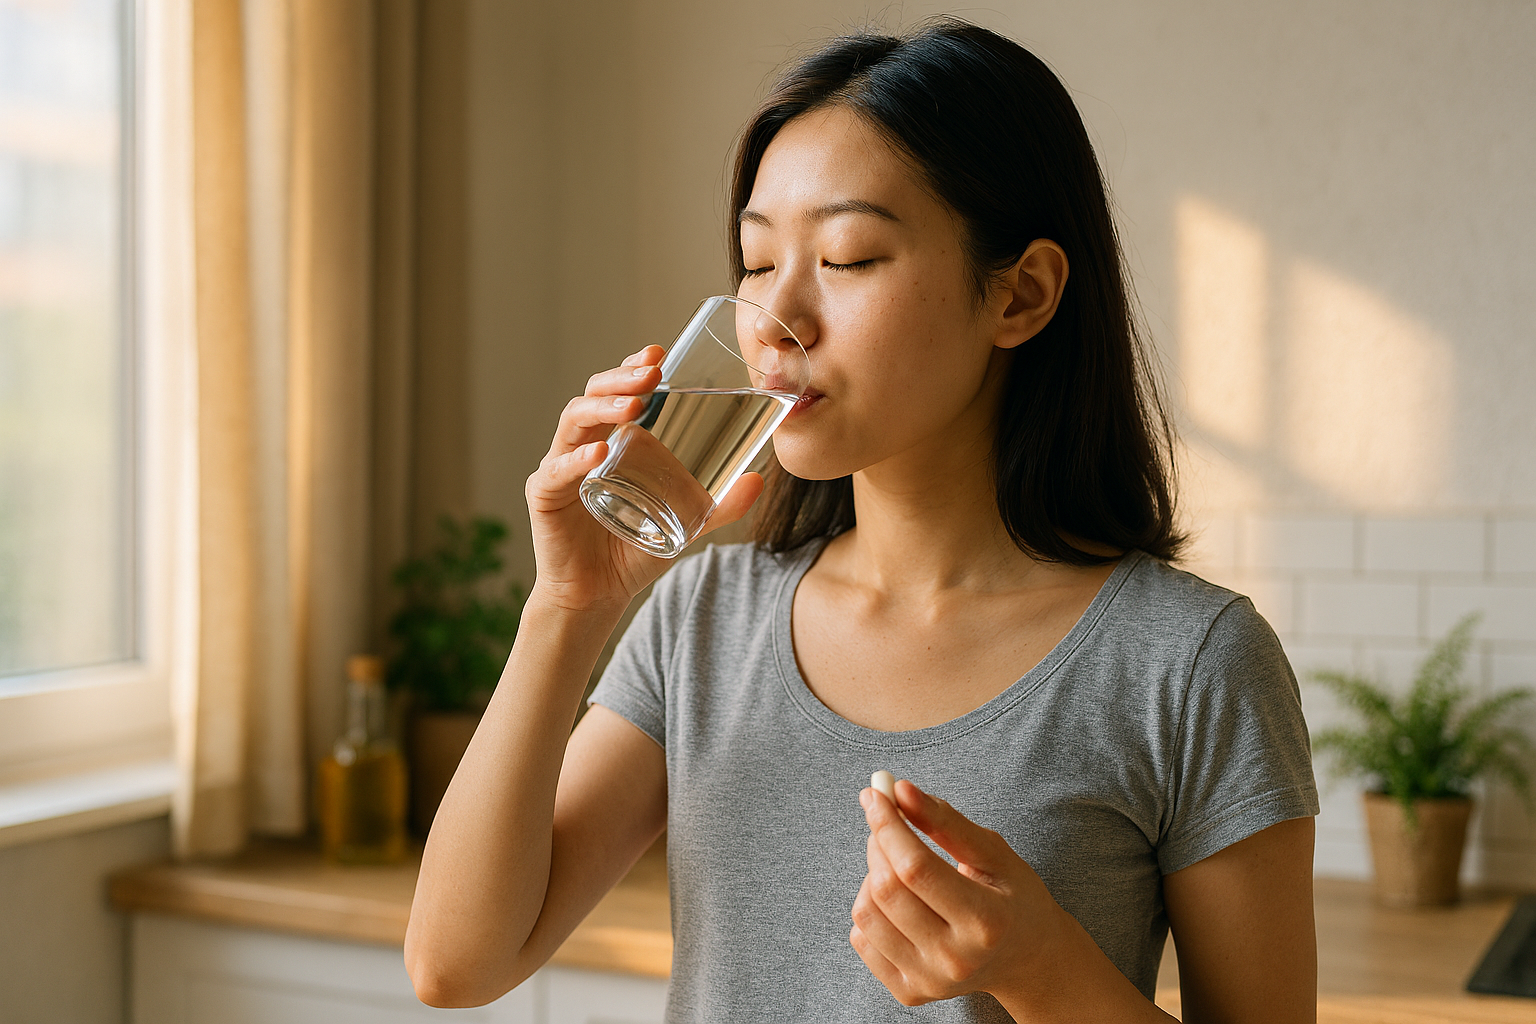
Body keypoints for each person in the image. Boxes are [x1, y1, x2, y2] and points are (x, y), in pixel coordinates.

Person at [406, 18, 1318, 1024]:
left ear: (1021, 295)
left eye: (846, 257)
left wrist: (1043, 967)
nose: (778, 317)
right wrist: (567, 605)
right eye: (755, 262)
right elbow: (456, 966)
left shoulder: (1189, 662)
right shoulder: (706, 619)